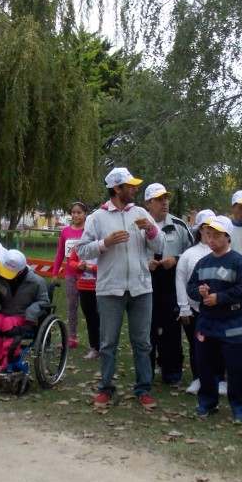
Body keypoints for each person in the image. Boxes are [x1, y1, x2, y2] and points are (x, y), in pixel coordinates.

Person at [76, 167, 164, 409]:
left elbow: (159, 245)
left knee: (143, 343)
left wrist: (150, 229)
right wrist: (105, 243)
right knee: (108, 344)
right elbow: (81, 250)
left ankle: (144, 389)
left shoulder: (141, 213)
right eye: (130, 185)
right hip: (110, 290)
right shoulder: (97, 217)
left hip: (141, 288)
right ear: (117, 188)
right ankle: (106, 389)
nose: (135, 189)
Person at [187, 215, 242, 424]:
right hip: (207, 323)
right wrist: (200, 292)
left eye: (216, 235)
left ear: (227, 237)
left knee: (237, 368)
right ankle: (207, 402)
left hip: (233, 323)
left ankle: (240, 409)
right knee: (205, 365)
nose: (211, 239)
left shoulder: (238, 262)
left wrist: (221, 298)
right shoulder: (203, 262)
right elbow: (191, 286)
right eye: (209, 235)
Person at [144, 183, 193, 386]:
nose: (165, 202)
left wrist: (176, 259)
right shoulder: (139, 225)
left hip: (172, 283)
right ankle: (146, 372)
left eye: (166, 198)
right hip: (145, 284)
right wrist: (144, 263)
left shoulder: (179, 225)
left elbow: (193, 253)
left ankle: (172, 372)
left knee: (172, 329)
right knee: (147, 329)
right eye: (159, 199)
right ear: (148, 203)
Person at [0, 249, 49, 371]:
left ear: (20, 271)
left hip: (24, 316)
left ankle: (9, 361)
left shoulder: (36, 281)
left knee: (9, 322)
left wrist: (32, 311)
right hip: (7, 312)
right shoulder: (2, 278)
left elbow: (44, 301)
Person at [176, 209, 215, 393]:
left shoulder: (224, 252)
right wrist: (184, 308)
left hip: (217, 309)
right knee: (197, 345)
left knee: (217, 345)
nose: (211, 231)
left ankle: (218, 379)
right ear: (200, 229)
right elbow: (181, 281)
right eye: (207, 227)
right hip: (194, 310)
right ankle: (198, 378)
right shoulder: (189, 254)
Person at [52, 201, 88, 350]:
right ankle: (72, 337)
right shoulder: (65, 231)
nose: (75, 215)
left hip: (87, 274)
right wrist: (55, 272)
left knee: (90, 308)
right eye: (73, 212)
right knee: (72, 306)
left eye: (79, 212)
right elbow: (60, 253)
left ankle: (97, 339)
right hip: (70, 274)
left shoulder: (88, 230)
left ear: (85, 214)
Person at [67, 238, 100, 359]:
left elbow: (111, 264)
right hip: (84, 287)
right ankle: (95, 348)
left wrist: (93, 268)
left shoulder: (104, 243)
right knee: (90, 318)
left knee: (102, 318)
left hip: (101, 287)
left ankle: (106, 347)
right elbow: (71, 261)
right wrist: (78, 266)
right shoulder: (79, 244)